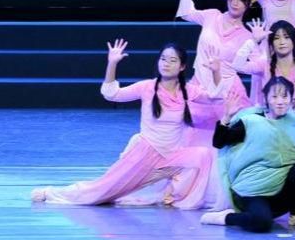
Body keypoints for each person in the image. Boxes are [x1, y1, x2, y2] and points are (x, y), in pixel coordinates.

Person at [31, 40, 227, 210]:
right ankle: (51, 193)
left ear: (182, 66)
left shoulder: (188, 91)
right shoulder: (147, 87)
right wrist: (112, 63)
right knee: (102, 192)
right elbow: (112, 94)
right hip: (145, 154)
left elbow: (217, 96)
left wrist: (216, 70)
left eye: (172, 60)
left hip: (172, 157)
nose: (166, 63)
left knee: (201, 156)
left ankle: (173, 197)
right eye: (163, 59)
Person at [199, 77, 295, 232]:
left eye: (284, 96)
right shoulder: (250, 121)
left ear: (292, 99)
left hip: (280, 194)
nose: (280, 102)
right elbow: (219, 143)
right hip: (252, 191)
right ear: (266, 99)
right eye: (274, 96)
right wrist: (227, 117)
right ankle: (225, 217)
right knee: (262, 223)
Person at [175, 0, 256, 108]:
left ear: (248, 4)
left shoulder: (247, 36)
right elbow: (186, 13)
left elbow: (258, 65)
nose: (235, 2)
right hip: (199, 87)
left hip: (227, 92)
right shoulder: (212, 15)